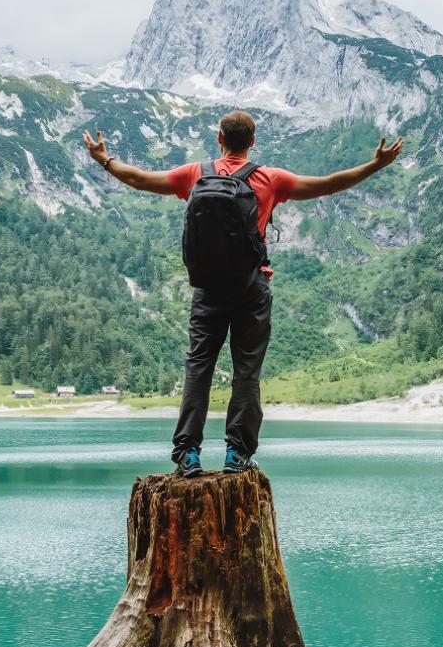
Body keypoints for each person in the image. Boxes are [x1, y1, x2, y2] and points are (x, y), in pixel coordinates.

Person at [84, 110, 404, 476]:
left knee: (198, 370)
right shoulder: (270, 178)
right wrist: (375, 166)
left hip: (207, 291)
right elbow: (329, 184)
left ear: (219, 140)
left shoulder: (195, 174)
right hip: (251, 288)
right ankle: (237, 454)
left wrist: (104, 159)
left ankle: (187, 453)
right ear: (252, 142)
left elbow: (140, 179)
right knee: (246, 372)